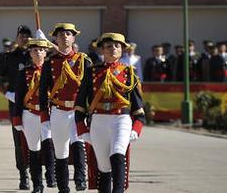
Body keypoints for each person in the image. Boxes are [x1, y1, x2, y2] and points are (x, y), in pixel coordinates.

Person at [75, 33, 145, 193]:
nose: (113, 49)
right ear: (102, 50)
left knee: (118, 154)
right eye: (108, 46)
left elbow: (138, 108)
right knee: (104, 167)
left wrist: (136, 129)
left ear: (122, 50)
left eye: (117, 46)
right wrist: (82, 129)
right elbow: (80, 105)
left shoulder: (130, 72)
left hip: (121, 119)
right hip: (98, 121)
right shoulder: (91, 72)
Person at [40, 23, 90, 192]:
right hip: (58, 110)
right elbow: (42, 91)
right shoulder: (49, 63)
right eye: (61, 34)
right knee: (60, 151)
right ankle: (63, 186)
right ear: (56, 38)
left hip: (77, 111)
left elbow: (90, 88)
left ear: (73, 38)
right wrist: (44, 116)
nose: (65, 37)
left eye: (68, 34)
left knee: (78, 144)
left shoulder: (84, 60)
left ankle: (80, 179)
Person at [12, 37, 54, 193]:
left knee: (49, 144)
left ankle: (51, 174)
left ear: (46, 52)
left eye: (41, 50)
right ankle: (37, 183)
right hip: (29, 113)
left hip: (47, 113)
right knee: (33, 150)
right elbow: (18, 96)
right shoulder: (24, 72)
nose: (38, 52)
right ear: (30, 53)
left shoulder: (52, 71)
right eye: (34, 50)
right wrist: (16, 117)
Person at [0, 25, 33, 189]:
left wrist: (44, 42)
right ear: (17, 38)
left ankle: (40, 172)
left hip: (37, 104)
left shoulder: (39, 54)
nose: (24, 39)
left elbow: (61, 54)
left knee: (39, 140)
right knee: (19, 141)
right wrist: (8, 94)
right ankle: (23, 175)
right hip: (17, 104)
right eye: (21, 36)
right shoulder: (8, 57)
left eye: (27, 36)